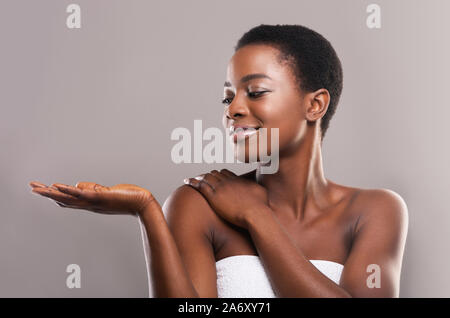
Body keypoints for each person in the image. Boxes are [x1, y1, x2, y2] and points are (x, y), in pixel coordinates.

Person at [29, 24, 408, 297]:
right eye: (228, 98)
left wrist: (257, 218)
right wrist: (147, 212)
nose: (234, 109)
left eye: (256, 92)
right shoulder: (200, 203)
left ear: (315, 104)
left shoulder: (375, 210)